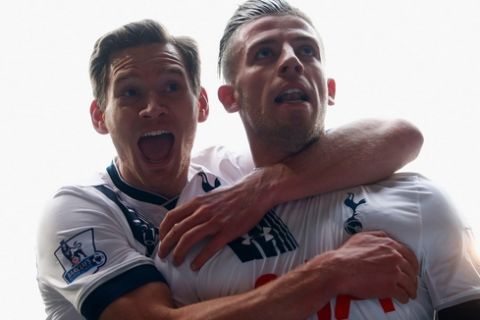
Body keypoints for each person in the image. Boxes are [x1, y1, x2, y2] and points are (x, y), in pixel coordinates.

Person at [35, 19, 422, 320]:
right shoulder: (77, 211)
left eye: (171, 87)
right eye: (130, 92)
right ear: (100, 116)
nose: (152, 107)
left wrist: (266, 186)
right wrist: (330, 274)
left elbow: (399, 137)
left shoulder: (232, 170)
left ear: (202, 104)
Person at [156, 1, 480, 319]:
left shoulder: (420, 201)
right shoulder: (200, 231)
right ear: (230, 98)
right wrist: (327, 275)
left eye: (307, 50)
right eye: (264, 53)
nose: (291, 61)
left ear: (330, 89)